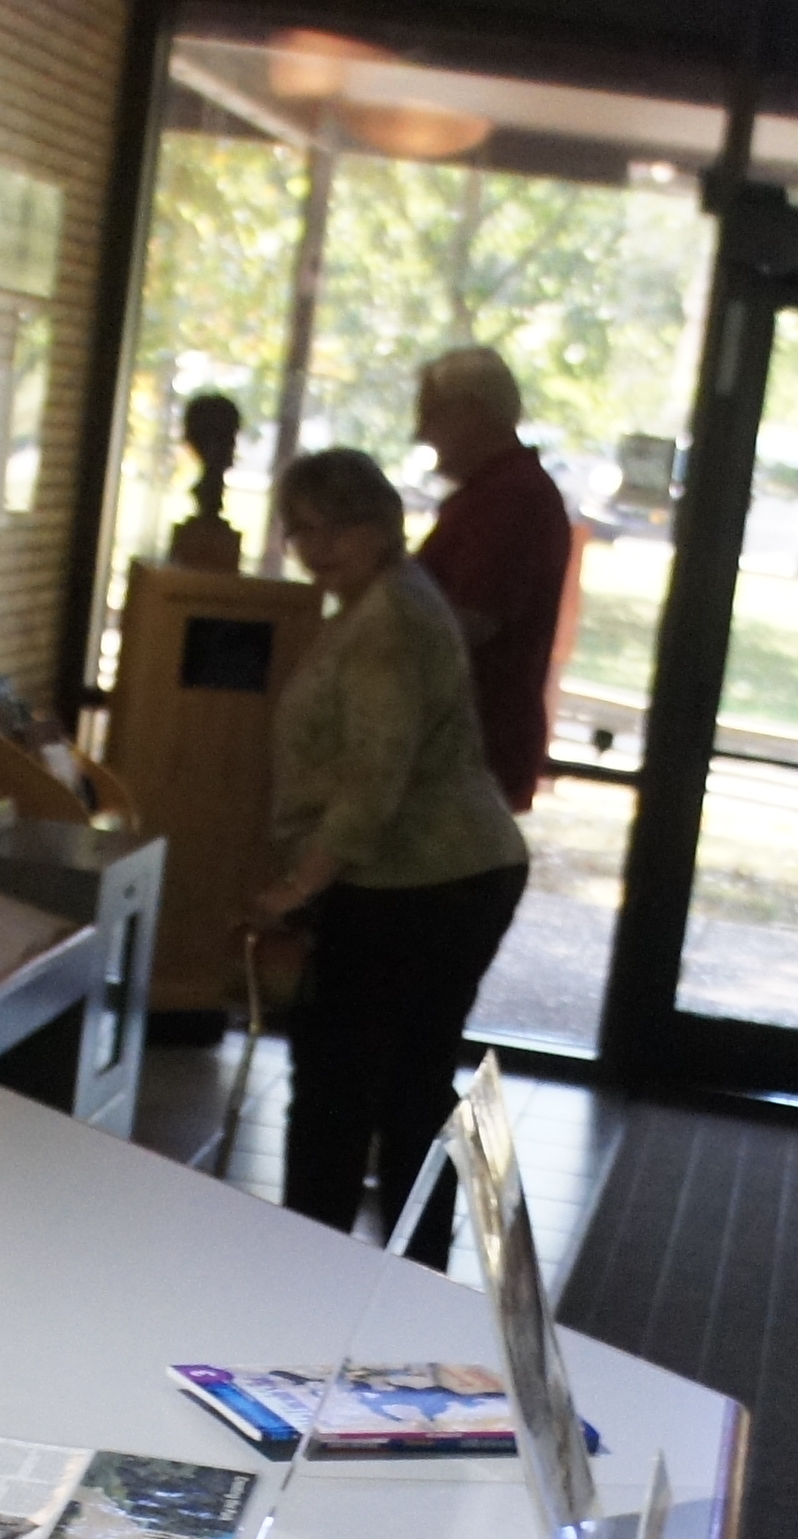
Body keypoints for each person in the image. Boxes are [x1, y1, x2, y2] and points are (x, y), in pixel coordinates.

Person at [249, 445, 532, 1265]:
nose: (317, 547)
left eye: (337, 527)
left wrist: (300, 886)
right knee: (405, 1083)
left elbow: (374, 778)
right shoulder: (386, 601)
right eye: (301, 529)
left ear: (382, 525)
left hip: (422, 880)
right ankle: (405, 1270)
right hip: (441, 872)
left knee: (340, 1088)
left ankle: (316, 1264)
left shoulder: (389, 622)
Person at [411, 344, 578, 814]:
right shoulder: (498, 493)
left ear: (472, 412)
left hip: (471, 750)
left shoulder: (512, 499)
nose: (420, 432)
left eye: (431, 414)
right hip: (464, 746)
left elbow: (470, 620)